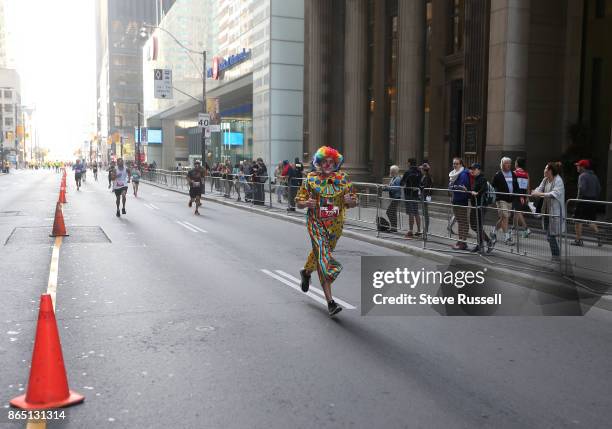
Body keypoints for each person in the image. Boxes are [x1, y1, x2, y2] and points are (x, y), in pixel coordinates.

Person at [296, 146, 357, 317]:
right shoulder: (310, 179)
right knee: (323, 258)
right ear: (319, 162)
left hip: (335, 226)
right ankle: (330, 302)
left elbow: (354, 202)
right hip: (315, 223)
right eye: (325, 162)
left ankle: (306, 272)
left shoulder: (343, 179)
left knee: (320, 254)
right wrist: (306, 203)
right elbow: (298, 201)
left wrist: (349, 201)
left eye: (332, 162)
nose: (328, 165)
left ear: (336, 163)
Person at [532, 162, 565, 261]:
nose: (544, 170)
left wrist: (539, 194)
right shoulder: (545, 179)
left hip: (554, 212)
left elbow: (554, 193)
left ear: (550, 171)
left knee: (551, 235)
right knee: (548, 235)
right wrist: (535, 192)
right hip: (546, 211)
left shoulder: (558, 180)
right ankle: (555, 255)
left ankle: (556, 256)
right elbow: (539, 188)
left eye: (546, 168)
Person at [572, 159, 602, 247]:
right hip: (592, 200)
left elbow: (582, 189)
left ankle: (578, 240)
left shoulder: (582, 176)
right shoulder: (594, 176)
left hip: (583, 200)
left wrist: (577, 200)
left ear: (582, 167)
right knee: (590, 220)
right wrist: (594, 197)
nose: (577, 167)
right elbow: (599, 189)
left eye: (578, 166)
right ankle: (599, 237)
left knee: (577, 220)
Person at [492, 157, 519, 246]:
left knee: (503, 218)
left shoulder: (513, 174)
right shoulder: (498, 175)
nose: (508, 165)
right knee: (506, 217)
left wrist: (519, 196)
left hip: (510, 199)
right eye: (506, 163)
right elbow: (493, 187)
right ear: (502, 164)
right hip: (501, 199)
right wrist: (496, 195)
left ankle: (493, 231)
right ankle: (507, 238)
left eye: (509, 163)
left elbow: (516, 186)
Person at [469, 163, 494, 253]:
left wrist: (477, 193)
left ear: (479, 170)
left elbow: (484, 189)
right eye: (471, 169)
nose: (472, 170)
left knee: (478, 226)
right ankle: (487, 241)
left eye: (474, 169)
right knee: (473, 225)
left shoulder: (482, 179)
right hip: (474, 205)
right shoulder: (475, 179)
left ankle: (480, 245)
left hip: (480, 206)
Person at [448, 157, 471, 250]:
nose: (455, 165)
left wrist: (453, 187)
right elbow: (450, 186)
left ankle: (463, 242)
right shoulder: (453, 174)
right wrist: (453, 187)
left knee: (463, 222)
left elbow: (461, 186)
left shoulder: (464, 174)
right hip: (455, 200)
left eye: (457, 163)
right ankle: (460, 240)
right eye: (454, 163)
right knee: (459, 221)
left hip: (462, 200)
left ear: (461, 164)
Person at [400, 158, 422, 238]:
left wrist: (403, 180)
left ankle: (410, 231)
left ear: (409, 163)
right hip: (416, 194)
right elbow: (421, 183)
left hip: (409, 194)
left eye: (408, 163)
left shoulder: (408, 172)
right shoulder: (419, 172)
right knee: (416, 212)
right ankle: (419, 230)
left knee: (410, 212)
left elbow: (402, 183)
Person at [513, 157, 531, 238]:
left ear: (517, 163)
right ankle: (514, 228)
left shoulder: (514, 173)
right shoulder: (526, 174)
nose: (514, 163)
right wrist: (527, 197)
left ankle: (526, 228)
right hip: (523, 195)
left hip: (516, 195)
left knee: (518, 211)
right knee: (516, 212)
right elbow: (528, 186)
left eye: (515, 162)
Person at [384, 165, 402, 232]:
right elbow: (390, 187)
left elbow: (397, 188)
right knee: (392, 212)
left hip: (396, 197)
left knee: (389, 212)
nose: (390, 171)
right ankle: (394, 227)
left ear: (393, 171)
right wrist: (385, 188)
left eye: (391, 170)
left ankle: (394, 227)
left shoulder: (398, 179)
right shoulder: (393, 178)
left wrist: (388, 188)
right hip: (393, 197)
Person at [419, 163, 433, 236]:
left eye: (421, 169)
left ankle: (425, 229)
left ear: (424, 170)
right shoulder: (424, 176)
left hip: (425, 196)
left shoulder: (427, 177)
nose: (421, 170)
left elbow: (425, 186)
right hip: (422, 196)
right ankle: (424, 228)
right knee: (424, 213)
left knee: (425, 214)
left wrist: (419, 187)